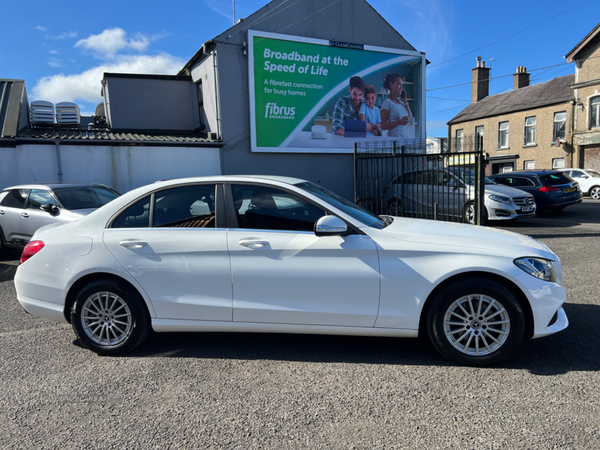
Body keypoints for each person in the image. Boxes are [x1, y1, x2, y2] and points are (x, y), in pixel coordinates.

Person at [380, 73, 412, 138]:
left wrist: (405, 102)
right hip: (394, 142)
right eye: (399, 84)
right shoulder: (387, 102)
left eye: (402, 85)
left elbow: (410, 121)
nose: (401, 88)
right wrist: (399, 122)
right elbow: (382, 125)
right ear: (391, 85)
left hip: (404, 141)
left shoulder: (402, 103)